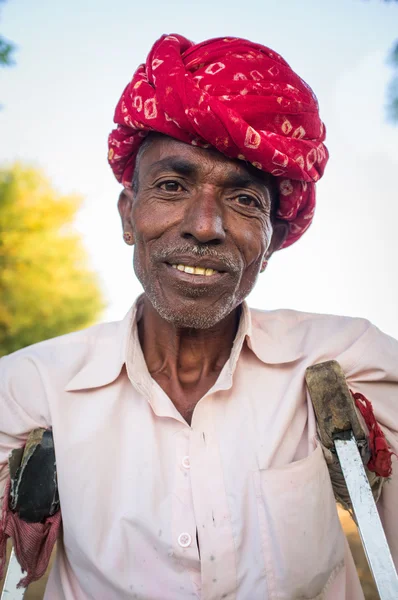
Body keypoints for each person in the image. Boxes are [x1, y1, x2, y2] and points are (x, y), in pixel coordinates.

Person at [0, 33, 397, 600]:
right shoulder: (31, 388)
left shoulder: (349, 360)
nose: (205, 225)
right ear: (128, 216)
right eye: (171, 185)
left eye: (243, 200)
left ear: (273, 239)